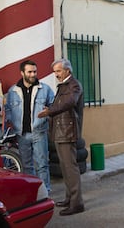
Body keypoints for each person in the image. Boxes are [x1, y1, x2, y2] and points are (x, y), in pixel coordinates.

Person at [38, 58, 85, 216]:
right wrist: (50, 108)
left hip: (67, 131)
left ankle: (77, 203)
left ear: (67, 70)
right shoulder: (64, 85)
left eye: (58, 71)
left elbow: (69, 102)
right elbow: (61, 104)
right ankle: (69, 198)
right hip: (60, 131)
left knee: (70, 168)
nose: (55, 74)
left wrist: (50, 111)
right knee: (65, 167)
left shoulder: (74, 84)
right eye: (55, 71)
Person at [5, 60, 54, 192]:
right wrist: (10, 122)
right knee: (27, 166)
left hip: (39, 132)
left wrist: (47, 114)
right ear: (22, 73)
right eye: (30, 72)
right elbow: (8, 109)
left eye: (35, 71)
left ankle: (45, 192)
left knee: (42, 165)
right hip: (22, 134)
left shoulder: (45, 89)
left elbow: (53, 107)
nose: (33, 74)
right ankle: (32, 192)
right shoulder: (13, 91)